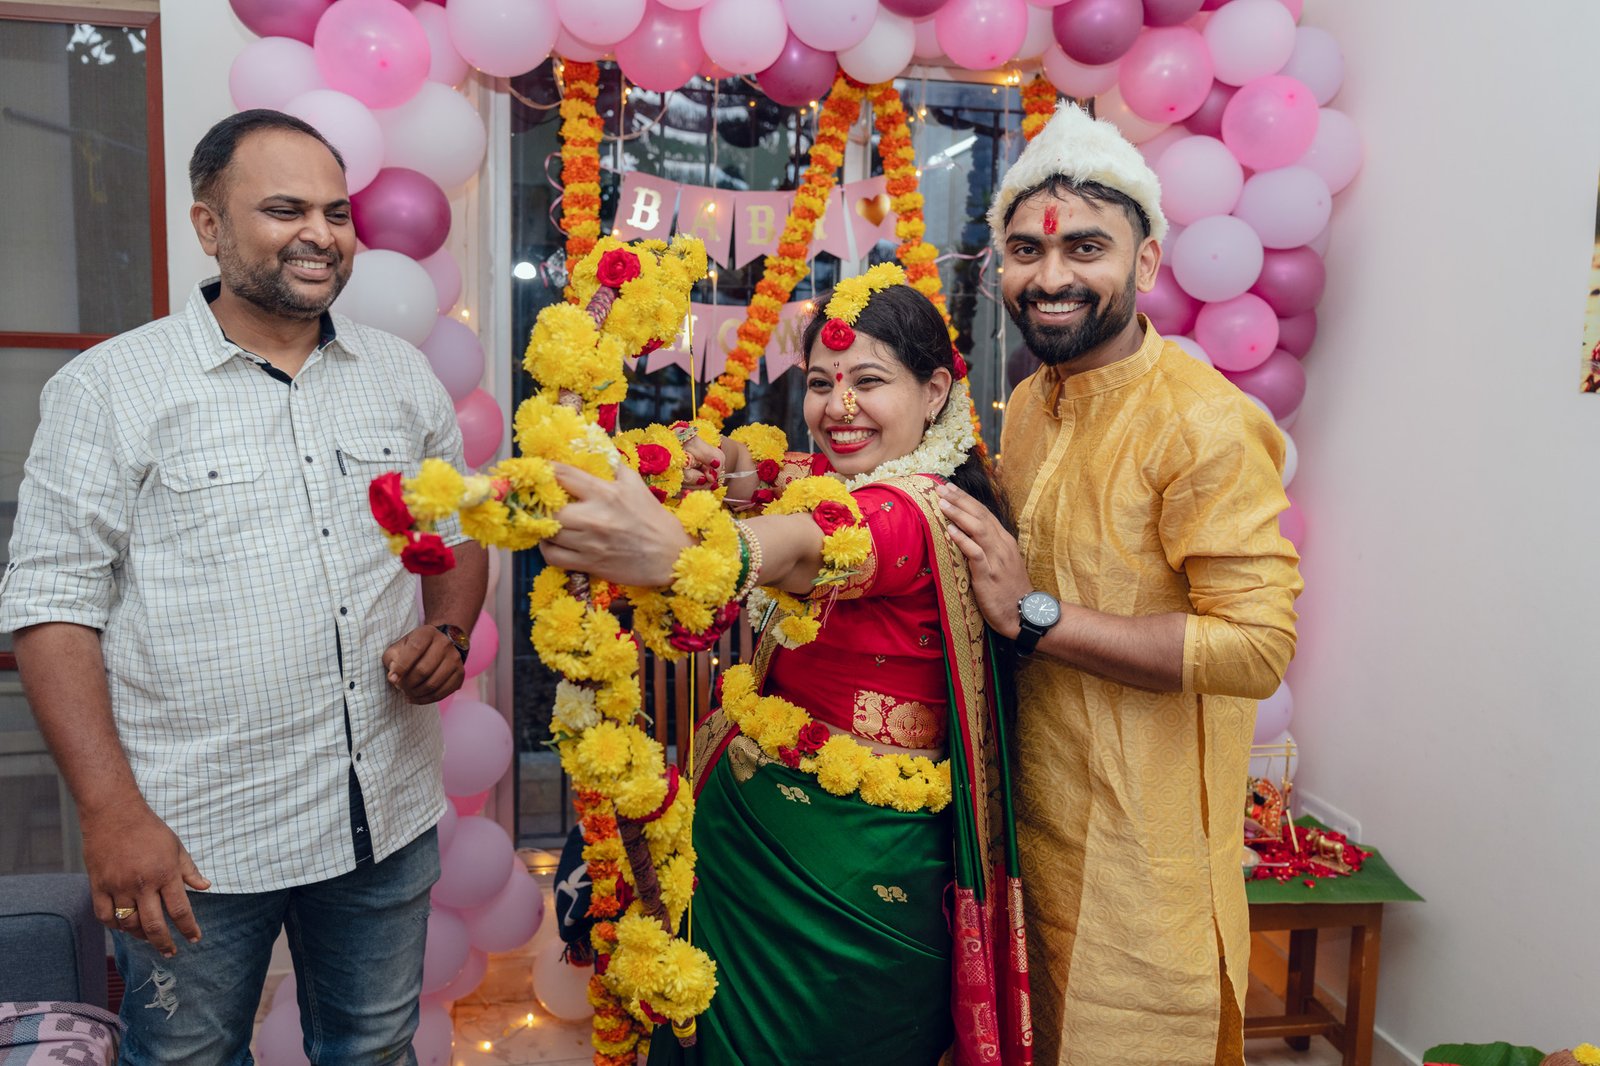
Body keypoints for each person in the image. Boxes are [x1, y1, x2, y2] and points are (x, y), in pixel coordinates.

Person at [0, 110, 486, 1063]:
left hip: (383, 816)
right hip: (196, 837)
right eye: (284, 209)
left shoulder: (399, 373)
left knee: (375, 1049)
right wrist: (111, 814)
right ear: (209, 226)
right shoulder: (110, 388)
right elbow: (52, 607)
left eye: (336, 212)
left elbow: (458, 530)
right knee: (187, 1058)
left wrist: (450, 632)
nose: (321, 234)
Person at [539, 271, 1032, 1065]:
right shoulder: (846, 477)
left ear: (935, 391)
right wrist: (714, 460)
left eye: (869, 381)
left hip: (849, 864)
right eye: (822, 383)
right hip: (753, 827)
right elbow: (766, 475)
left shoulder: (909, 511)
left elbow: (811, 544)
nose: (840, 407)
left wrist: (690, 555)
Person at [935, 103, 1303, 1065]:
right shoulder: (1030, 400)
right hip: (1029, 837)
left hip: (1143, 872)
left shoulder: (1203, 423)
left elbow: (1257, 647)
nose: (1051, 276)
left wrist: (1034, 617)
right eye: (1027, 251)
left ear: (1145, 264)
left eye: (1085, 248)